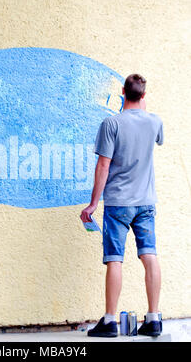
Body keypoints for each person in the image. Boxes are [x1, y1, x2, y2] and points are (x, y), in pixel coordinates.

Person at [80, 74, 164, 337]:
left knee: (115, 259)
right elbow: (154, 135)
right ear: (144, 95)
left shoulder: (111, 123)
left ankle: (109, 321)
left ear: (122, 92)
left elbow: (103, 165)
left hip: (117, 203)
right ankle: (153, 319)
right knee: (149, 255)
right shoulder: (155, 122)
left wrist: (94, 203)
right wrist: (143, 108)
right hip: (146, 202)